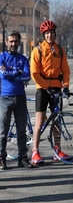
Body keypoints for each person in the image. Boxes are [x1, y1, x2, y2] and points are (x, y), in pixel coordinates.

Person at [30, 20, 71, 164]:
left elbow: (65, 70)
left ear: (55, 34)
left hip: (56, 88)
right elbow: (34, 73)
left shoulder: (60, 50)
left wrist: (65, 86)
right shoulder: (38, 50)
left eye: (52, 33)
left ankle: (57, 151)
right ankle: (35, 152)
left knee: (57, 120)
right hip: (43, 89)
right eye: (47, 33)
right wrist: (46, 87)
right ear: (44, 35)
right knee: (40, 121)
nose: (49, 35)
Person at [0, 31, 33, 169]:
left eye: (16, 41)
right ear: (7, 42)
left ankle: (23, 158)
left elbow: (27, 76)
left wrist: (13, 74)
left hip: (20, 98)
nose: (13, 44)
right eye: (11, 41)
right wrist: (17, 73)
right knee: (2, 131)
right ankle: (2, 158)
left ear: (19, 42)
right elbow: (3, 74)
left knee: (21, 131)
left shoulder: (23, 59)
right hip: (4, 98)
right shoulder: (2, 57)